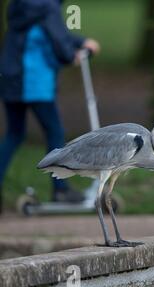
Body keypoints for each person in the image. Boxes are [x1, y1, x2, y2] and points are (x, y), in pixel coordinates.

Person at [0, 0, 101, 214]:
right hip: (34, 81)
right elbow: (59, 40)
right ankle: (60, 188)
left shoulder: (20, 5)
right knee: (55, 131)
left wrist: (80, 41)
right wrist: (71, 54)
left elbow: (49, 34)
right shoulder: (47, 6)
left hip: (10, 77)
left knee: (14, 134)